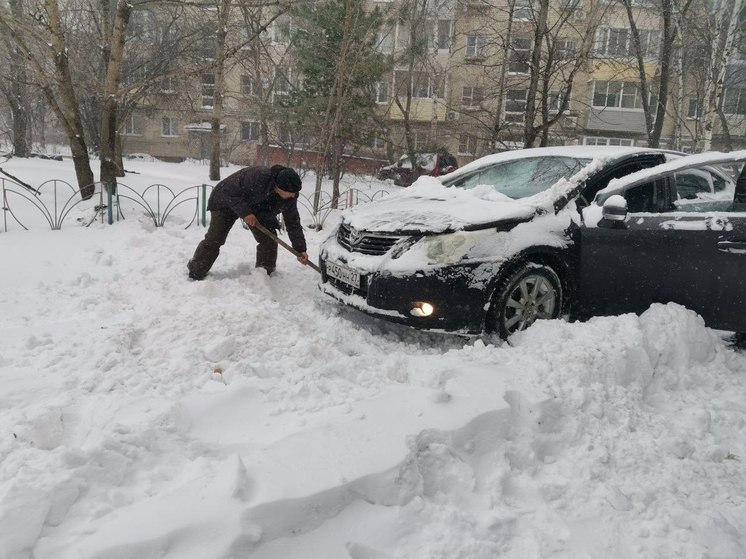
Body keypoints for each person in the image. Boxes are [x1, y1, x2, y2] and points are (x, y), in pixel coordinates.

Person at [187, 164, 308, 280]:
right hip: (225, 202)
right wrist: (245, 213)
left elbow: (293, 222)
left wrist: (300, 249)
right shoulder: (258, 176)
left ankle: (265, 274)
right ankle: (196, 270)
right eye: (291, 193)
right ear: (279, 187)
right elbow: (229, 191)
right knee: (215, 237)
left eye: (295, 193)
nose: (294, 196)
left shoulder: (291, 196)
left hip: (257, 209)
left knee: (269, 238)